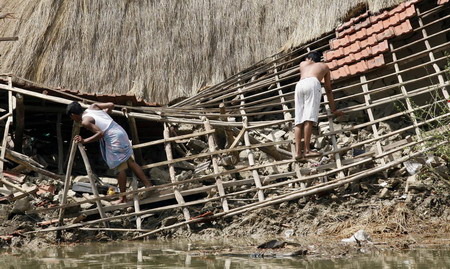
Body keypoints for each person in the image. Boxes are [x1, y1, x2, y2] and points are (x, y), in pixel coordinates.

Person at [67, 101, 152, 203]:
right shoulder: (93, 107)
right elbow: (111, 105)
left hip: (113, 137)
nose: (72, 120)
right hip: (119, 131)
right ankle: (148, 185)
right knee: (130, 162)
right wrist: (105, 115)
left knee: (120, 168)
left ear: (73, 115)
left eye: (71, 118)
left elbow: (100, 133)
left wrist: (84, 141)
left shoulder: (86, 121)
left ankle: (123, 198)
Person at [294, 51, 343, 160]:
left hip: (300, 85)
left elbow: (306, 67)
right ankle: (307, 150)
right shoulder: (324, 66)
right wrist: (333, 109)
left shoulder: (302, 64)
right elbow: (328, 89)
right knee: (309, 118)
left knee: (298, 120)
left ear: (309, 58)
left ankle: (297, 152)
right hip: (312, 83)